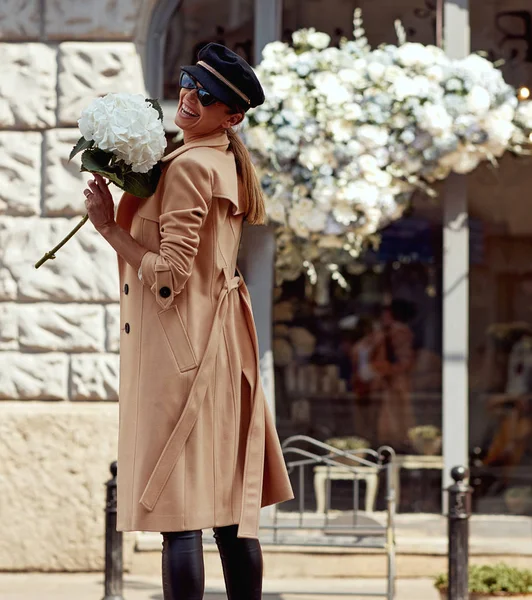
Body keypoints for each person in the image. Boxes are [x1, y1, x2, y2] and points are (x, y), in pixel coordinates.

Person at [83, 43, 294, 600]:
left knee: (179, 516)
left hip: (184, 357)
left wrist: (109, 228)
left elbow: (171, 273)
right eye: (187, 82)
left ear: (233, 115)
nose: (190, 96)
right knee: (227, 511)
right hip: (218, 346)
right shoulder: (217, 159)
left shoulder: (191, 166)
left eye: (209, 95)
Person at [371, 300, 416, 450]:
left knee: (397, 422)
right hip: (392, 383)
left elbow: (405, 361)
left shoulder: (398, 331)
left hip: (396, 384)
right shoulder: (389, 332)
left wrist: (387, 370)